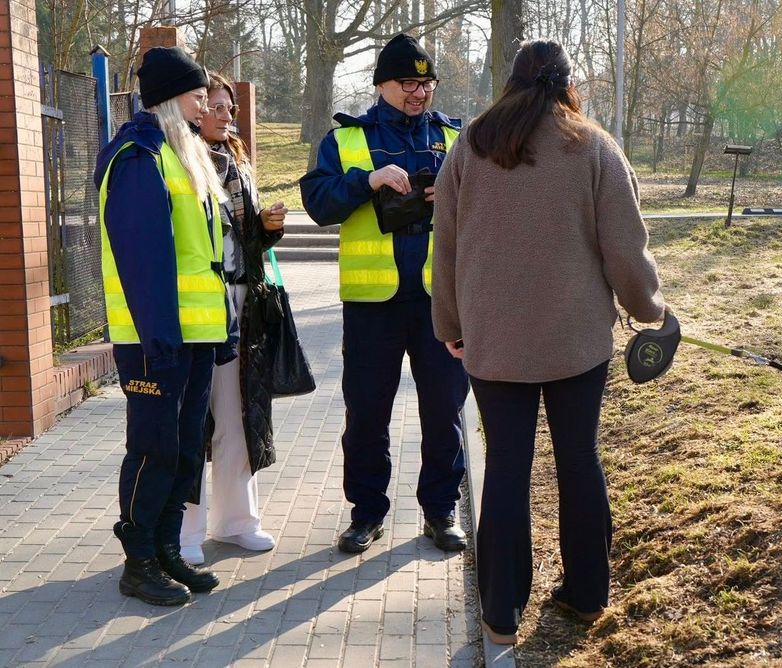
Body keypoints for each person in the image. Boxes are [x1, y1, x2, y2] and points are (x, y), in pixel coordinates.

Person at [431, 40, 667, 644]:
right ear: (567, 83)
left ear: (510, 81)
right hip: (576, 341)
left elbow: (447, 245)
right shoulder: (592, 146)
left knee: (506, 468)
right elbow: (626, 250)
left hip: (493, 341)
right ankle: (587, 594)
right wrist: (650, 312)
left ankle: (501, 612)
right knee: (578, 460)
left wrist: (450, 325)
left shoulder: (471, 143)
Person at [299, 34, 469, 555]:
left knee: (445, 409)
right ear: (382, 85)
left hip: (440, 302)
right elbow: (318, 204)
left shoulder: (456, 138)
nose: (419, 93)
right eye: (408, 84)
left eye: (426, 83)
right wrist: (367, 180)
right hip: (373, 306)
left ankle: (441, 511)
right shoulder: (347, 140)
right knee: (367, 412)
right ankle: (367, 512)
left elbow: (491, 203)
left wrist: (455, 194)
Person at [94, 46, 236, 605]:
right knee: (153, 448)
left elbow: (202, 256)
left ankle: (168, 548)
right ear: (170, 100)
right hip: (158, 339)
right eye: (198, 95)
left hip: (193, 336)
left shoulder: (179, 154)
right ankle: (140, 561)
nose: (206, 104)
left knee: (182, 447)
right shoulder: (137, 156)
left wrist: (216, 330)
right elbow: (143, 259)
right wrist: (161, 336)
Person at [179, 72, 288, 565]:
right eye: (216, 106)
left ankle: (237, 521)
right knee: (194, 419)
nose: (226, 115)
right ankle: (186, 531)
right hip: (199, 304)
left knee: (238, 411)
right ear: (195, 109)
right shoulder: (179, 161)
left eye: (230, 109)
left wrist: (267, 229)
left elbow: (246, 243)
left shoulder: (238, 163)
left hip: (242, 301)